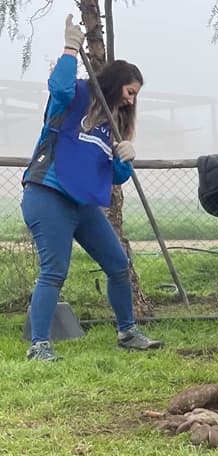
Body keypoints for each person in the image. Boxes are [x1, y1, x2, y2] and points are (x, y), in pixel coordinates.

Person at [21, 15, 162, 362]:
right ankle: (39, 345)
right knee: (54, 271)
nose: (131, 101)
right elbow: (59, 88)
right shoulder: (75, 97)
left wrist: (124, 158)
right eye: (130, 92)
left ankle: (127, 332)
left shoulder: (114, 125)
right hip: (48, 193)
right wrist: (70, 49)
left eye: (135, 96)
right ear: (116, 84)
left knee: (117, 263)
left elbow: (115, 177)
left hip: (83, 204)